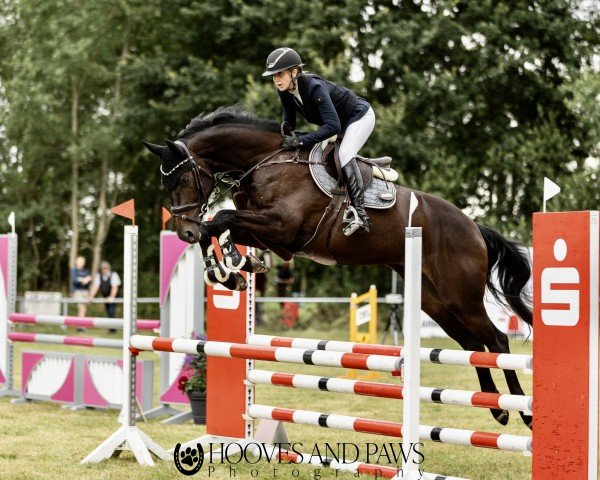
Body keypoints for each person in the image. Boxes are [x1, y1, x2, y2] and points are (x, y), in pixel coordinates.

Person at [263, 47, 375, 235]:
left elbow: (333, 127)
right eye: (273, 76)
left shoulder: (314, 87)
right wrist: (283, 137)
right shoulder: (285, 91)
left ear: (294, 72)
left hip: (359, 117)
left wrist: (300, 141)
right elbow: (289, 122)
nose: (276, 79)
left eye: (279, 74)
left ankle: (361, 216)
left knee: (345, 154)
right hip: (339, 122)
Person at [88, 261, 121, 333]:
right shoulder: (99, 276)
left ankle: (112, 329)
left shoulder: (114, 275)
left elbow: (114, 287)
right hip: (105, 297)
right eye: (103, 269)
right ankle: (111, 328)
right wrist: (91, 296)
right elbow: (95, 287)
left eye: (105, 268)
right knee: (108, 312)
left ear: (108, 268)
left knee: (111, 312)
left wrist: (112, 297)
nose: (104, 270)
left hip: (114, 296)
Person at [70, 256, 92, 320]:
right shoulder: (74, 270)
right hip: (77, 291)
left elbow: (89, 280)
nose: (80, 263)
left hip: (85, 291)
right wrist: (83, 280)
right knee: (81, 307)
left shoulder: (86, 270)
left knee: (84, 309)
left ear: (84, 263)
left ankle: (80, 325)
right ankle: (81, 326)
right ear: (76, 262)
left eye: (82, 262)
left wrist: (83, 280)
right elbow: (75, 280)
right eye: (79, 261)